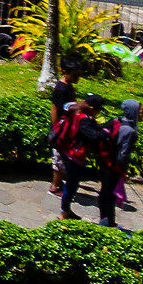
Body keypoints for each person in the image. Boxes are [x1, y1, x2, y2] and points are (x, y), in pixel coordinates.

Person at [56, 93, 116, 225]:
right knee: (71, 185)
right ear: (91, 107)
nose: (97, 113)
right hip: (73, 155)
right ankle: (64, 213)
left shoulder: (77, 112)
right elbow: (93, 136)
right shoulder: (82, 119)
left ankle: (66, 210)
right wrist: (107, 130)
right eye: (97, 110)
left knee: (72, 184)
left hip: (69, 152)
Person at [108, 98, 143, 211]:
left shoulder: (118, 121)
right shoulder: (131, 132)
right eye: (141, 112)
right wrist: (123, 168)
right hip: (117, 164)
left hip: (109, 159)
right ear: (134, 113)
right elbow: (124, 152)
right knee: (115, 184)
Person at [47, 79, 77, 197]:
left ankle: (58, 184)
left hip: (64, 127)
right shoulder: (61, 88)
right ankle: (54, 187)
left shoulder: (68, 86)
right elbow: (54, 108)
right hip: (60, 129)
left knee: (61, 159)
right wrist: (56, 128)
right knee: (59, 159)